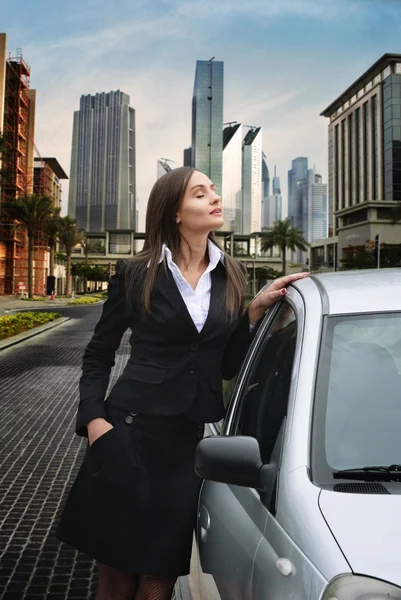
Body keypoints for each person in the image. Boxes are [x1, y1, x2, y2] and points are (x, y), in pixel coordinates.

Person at [55, 167, 309, 600]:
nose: (215, 197)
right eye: (200, 192)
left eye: (213, 190)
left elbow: (225, 366)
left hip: (185, 449)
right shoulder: (137, 273)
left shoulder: (231, 273)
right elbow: (98, 353)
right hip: (127, 435)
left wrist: (251, 315)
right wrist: (95, 422)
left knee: (158, 577)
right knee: (116, 575)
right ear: (174, 211)